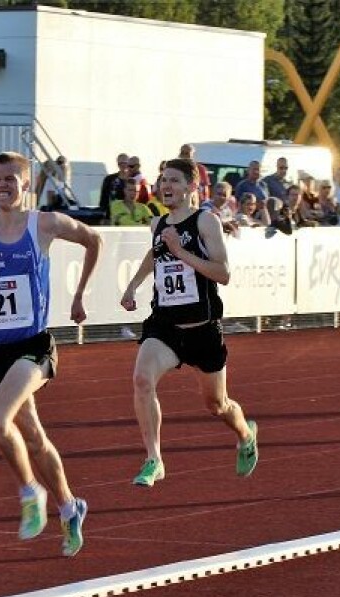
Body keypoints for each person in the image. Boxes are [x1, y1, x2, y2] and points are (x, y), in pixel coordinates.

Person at [0, 151, 101, 557]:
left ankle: (31, 491)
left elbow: (93, 239)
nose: (2, 186)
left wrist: (80, 294)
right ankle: (70, 506)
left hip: (33, 347)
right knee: (32, 434)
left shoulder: (44, 224)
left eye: (10, 179)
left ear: (26, 183)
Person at [119, 157, 258, 488]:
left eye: (174, 180)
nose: (165, 186)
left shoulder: (205, 221)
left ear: (192, 187)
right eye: (162, 179)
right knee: (141, 379)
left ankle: (245, 435)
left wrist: (181, 252)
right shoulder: (157, 225)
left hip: (202, 330)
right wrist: (132, 285)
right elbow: (155, 255)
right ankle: (154, 459)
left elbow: (222, 274)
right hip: (165, 326)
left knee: (217, 405)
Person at [99, 152, 130, 217]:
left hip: (129, 214)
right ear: (118, 164)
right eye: (120, 163)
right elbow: (103, 198)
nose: (123, 165)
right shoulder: (109, 179)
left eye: (125, 162)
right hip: (112, 214)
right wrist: (103, 213)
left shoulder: (133, 180)